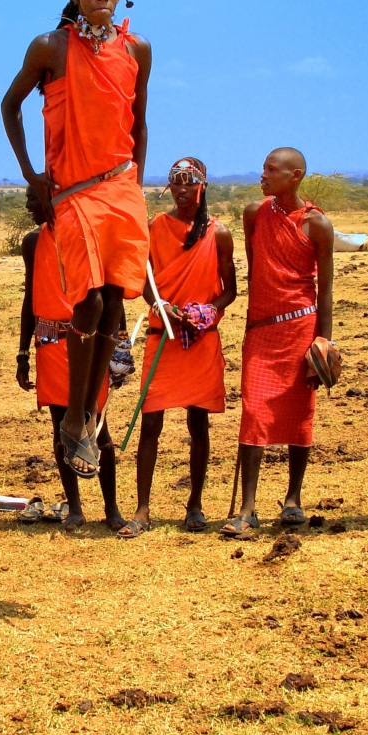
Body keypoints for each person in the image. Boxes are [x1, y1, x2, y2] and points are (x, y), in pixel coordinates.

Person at [1, 0, 151, 481]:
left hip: (120, 183)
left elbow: (140, 119)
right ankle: (74, 418)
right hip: (75, 191)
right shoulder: (51, 47)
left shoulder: (138, 50)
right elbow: (10, 104)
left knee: (114, 300)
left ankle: (85, 417)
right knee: (86, 296)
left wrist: (136, 181)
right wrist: (30, 175)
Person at [221, 149, 336, 538]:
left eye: (272, 170)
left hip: (301, 329)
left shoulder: (317, 224)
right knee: (253, 413)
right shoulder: (255, 213)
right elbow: (257, 273)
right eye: (264, 168)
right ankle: (247, 509)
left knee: (300, 414)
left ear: (296, 176)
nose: (263, 175)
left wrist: (324, 341)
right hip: (261, 330)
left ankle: (293, 500)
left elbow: (326, 290)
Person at [122, 158, 237, 538]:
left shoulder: (218, 234)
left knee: (198, 423)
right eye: (175, 183)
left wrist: (206, 310)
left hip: (200, 340)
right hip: (162, 336)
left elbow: (229, 291)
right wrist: (159, 304)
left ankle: (195, 505)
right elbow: (143, 281)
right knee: (150, 422)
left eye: (189, 183)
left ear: (202, 186)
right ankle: (141, 509)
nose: (182, 190)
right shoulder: (155, 227)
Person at [17, 186, 125, 532]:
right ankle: (75, 507)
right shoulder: (34, 242)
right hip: (49, 341)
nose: (29, 206)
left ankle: (111, 508)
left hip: (90, 341)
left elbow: (112, 295)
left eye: (35, 199)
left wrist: (120, 344)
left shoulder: (92, 233)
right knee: (61, 426)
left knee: (99, 425)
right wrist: (22, 352)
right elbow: (29, 297)